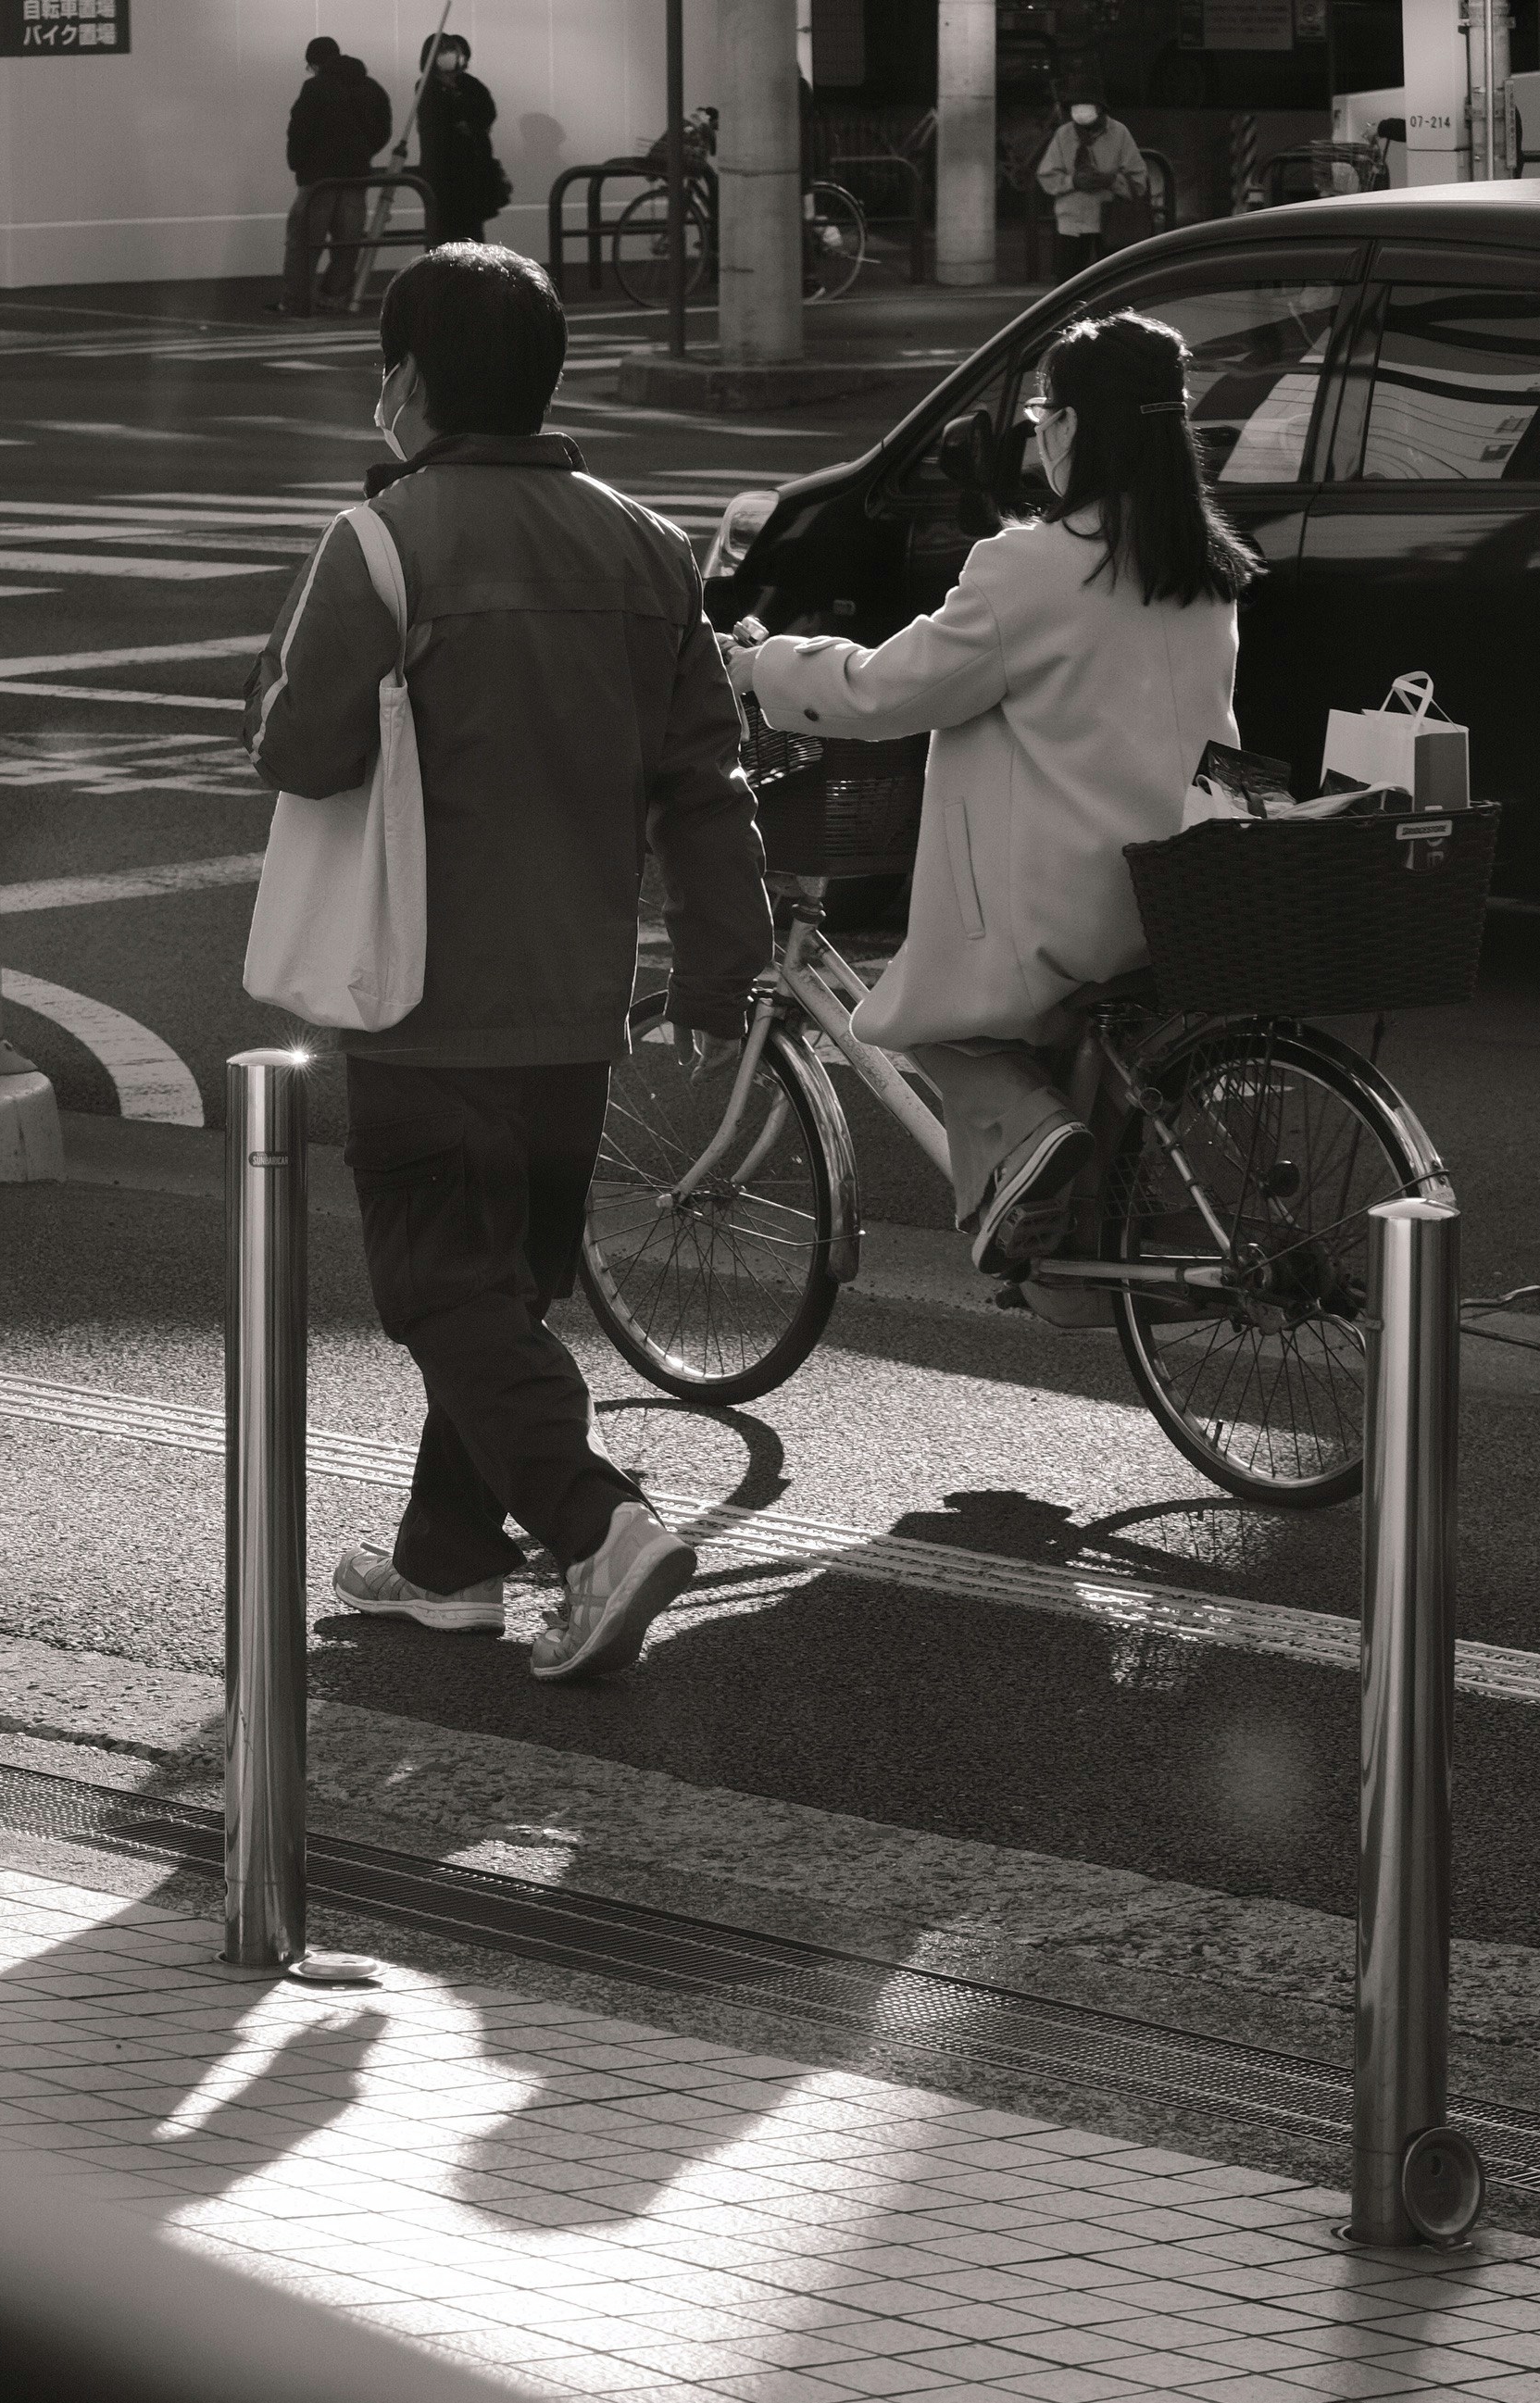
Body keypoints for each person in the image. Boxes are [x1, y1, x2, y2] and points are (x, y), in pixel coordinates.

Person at [248, 243, 770, 1683]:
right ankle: (445, 1562)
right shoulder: (646, 544)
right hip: (576, 1003)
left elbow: (303, 746)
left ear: (407, 381)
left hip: (421, 997)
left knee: (441, 1287)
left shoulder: (384, 540)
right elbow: (707, 782)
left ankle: (597, 1524)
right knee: (502, 1285)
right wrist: (728, 971)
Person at [727, 310, 1251, 1279]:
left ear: (1075, 432)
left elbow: (883, 694)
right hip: (1178, 894)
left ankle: (1028, 1136)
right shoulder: (1206, 567)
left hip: (1063, 907)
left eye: (1048, 413)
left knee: (911, 1013)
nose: (1038, 432)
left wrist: (758, 666)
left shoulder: (1030, 567)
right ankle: (1061, 1197)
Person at [278, 36, 389, 319]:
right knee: (347, 244)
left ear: (315, 63)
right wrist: (362, 154)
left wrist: (299, 165)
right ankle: (332, 298)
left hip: (319, 180)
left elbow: (299, 131)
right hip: (356, 178)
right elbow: (383, 129)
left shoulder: (314, 88)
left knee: (303, 241)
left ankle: (297, 304)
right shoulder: (371, 87)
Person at [410, 34, 507, 244]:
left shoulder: (470, 84)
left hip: (473, 174)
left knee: (472, 235)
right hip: (443, 175)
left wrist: (468, 123)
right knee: (443, 235)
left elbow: (486, 113)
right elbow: (440, 121)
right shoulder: (427, 87)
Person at [1035, 97, 1146, 276]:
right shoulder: (1064, 134)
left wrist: (1110, 181)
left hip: (1111, 223)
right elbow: (1047, 176)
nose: (1080, 112)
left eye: (1086, 106)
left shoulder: (1119, 133)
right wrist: (1073, 182)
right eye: (1075, 107)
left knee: (1111, 280)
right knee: (1068, 281)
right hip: (1073, 223)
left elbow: (1138, 181)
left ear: (1100, 108)